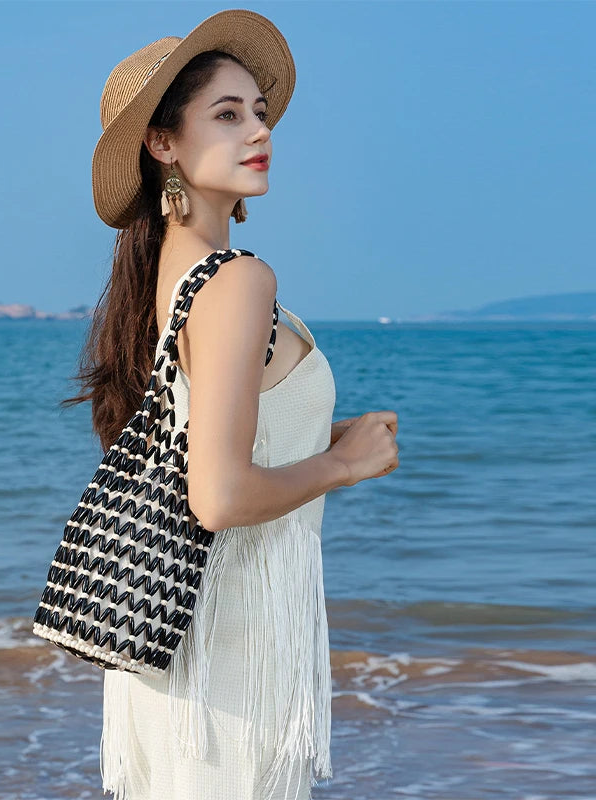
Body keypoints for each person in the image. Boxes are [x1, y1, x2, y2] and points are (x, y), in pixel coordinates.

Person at [62, 9, 399, 800]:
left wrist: (317, 434)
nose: (259, 130)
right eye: (227, 114)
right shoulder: (238, 281)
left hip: (176, 638)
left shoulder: (163, 279)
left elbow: (201, 435)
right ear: (163, 143)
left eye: (259, 111)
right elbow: (217, 495)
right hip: (234, 647)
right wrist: (343, 465)